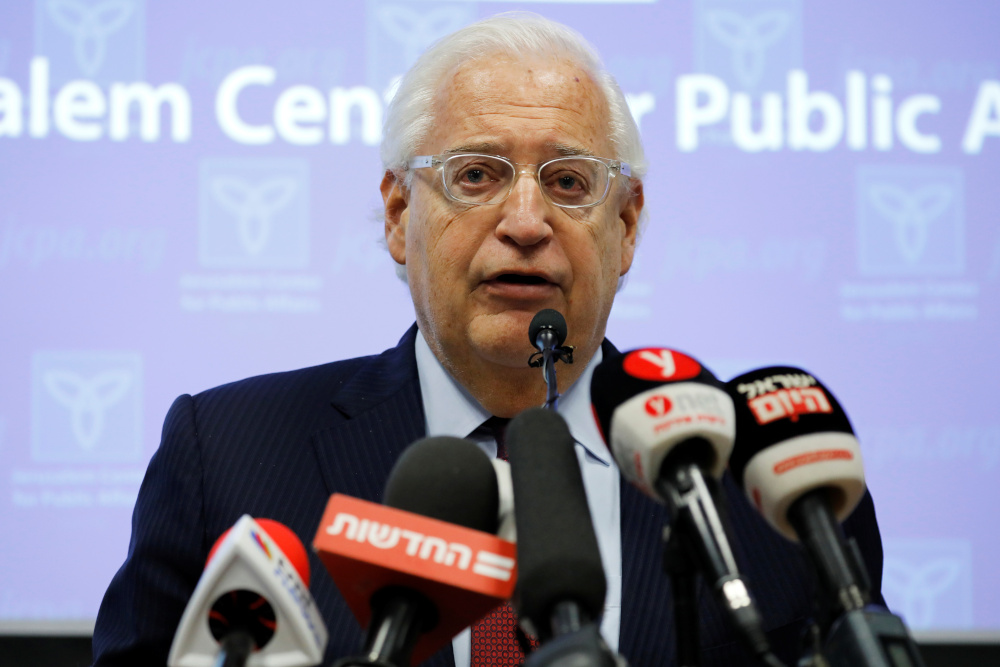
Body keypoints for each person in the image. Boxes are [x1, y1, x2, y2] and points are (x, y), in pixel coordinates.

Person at [91, 12, 884, 667]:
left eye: (570, 182)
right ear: (401, 216)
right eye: (477, 175)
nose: (527, 222)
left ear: (628, 224)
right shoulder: (228, 454)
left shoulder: (769, 482)